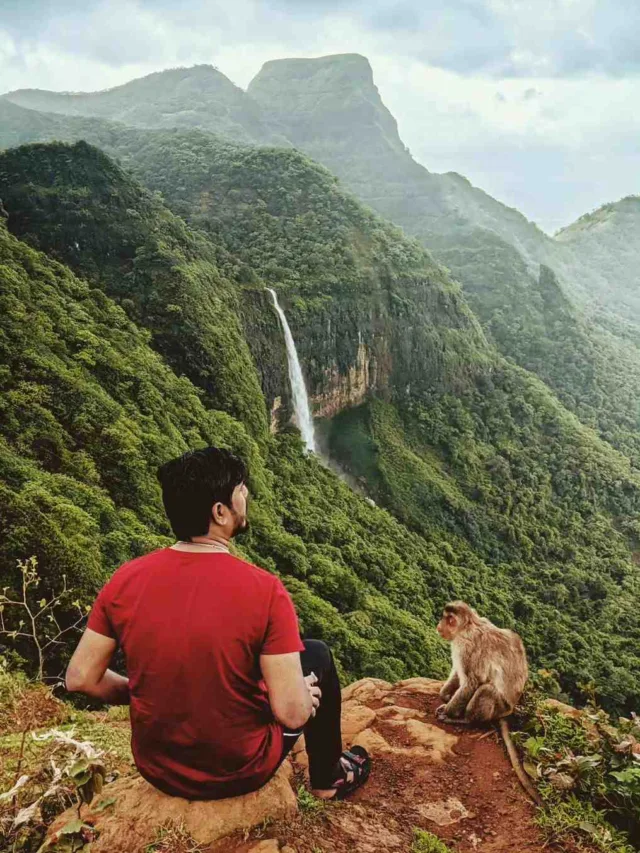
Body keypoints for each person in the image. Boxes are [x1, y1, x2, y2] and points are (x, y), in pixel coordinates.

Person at [65, 446, 370, 801]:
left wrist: (141, 691)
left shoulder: (125, 580)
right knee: (316, 654)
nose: (248, 495)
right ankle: (328, 780)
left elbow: (80, 678)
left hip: (158, 768)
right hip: (239, 770)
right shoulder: (266, 591)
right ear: (220, 512)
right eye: (241, 489)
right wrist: (303, 694)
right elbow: (292, 714)